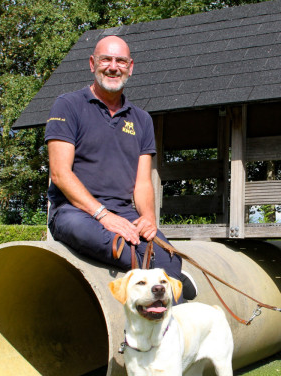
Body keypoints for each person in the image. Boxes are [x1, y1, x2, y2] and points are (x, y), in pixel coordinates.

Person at [45, 35, 196, 302]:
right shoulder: (68, 105)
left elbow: (142, 183)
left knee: (169, 258)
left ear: (130, 66)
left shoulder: (142, 119)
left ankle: (175, 317)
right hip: (75, 213)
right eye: (106, 59)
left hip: (126, 214)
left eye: (120, 61)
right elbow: (60, 173)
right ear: (93, 63)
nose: (113, 67)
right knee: (133, 254)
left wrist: (148, 219)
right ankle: (169, 283)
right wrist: (103, 215)